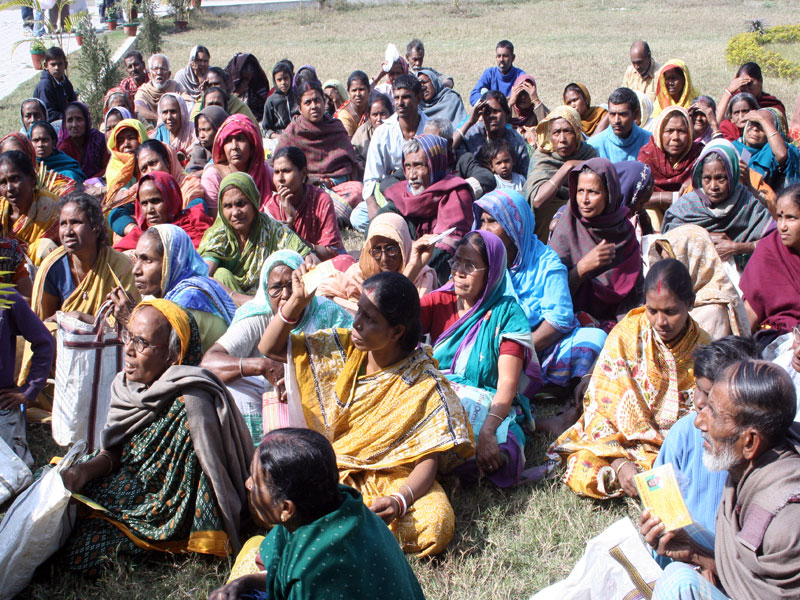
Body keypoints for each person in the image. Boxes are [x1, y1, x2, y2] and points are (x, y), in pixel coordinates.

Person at [259, 270, 474, 556]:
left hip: (398, 478)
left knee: (435, 524)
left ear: (397, 331)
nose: (357, 322)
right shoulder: (345, 346)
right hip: (339, 473)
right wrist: (295, 302)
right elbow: (269, 347)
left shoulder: (423, 380)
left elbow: (428, 459)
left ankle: (333, 539)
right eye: (359, 311)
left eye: (370, 319)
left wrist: (399, 500)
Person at [58, 299, 254, 575]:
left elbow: (214, 477)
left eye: (141, 343)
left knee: (82, 553)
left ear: (173, 356)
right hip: (127, 489)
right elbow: (114, 452)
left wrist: (228, 532)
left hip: (166, 514)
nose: (127, 350)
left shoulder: (192, 401)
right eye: (128, 337)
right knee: (56, 499)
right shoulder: (126, 385)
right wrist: (83, 472)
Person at [550, 259, 710, 499]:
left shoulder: (704, 350)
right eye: (652, 310)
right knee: (584, 469)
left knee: (693, 473)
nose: (660, 322)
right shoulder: (627, 334)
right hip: (620, 443)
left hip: (673, 449)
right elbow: (600, 408)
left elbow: (704, 420)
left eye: (670, 312)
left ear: (690, 304)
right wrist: (619, 464)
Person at [642, 360, 800, 599]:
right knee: (672, 527)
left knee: (679, 582)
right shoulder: (748, 463)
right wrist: (695, 553)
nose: (699, 422)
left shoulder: (785, 518)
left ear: (749, 442)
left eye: (713, 413)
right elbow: (747, 576)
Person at [209, 429, 426, 600]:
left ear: (286, 509)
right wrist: (246, 582)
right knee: (254, 548)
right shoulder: (343, 503)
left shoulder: (310, 576)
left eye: (255, 482)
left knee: (251, 551)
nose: (248, 484)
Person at [420, 230, 541, 486]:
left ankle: (441, 469)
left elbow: (507, 384)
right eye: (456, 262)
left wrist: (487, 430)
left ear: (492, 272)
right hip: (441, 397)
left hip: (489, 403)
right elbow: (393, 315)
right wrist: (414, 265)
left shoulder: (507, 314)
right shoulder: (440, 301)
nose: (459, 272)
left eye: (470, 265)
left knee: (504, 450)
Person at [201, 250, 351, 443]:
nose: (286, 295)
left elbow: (356, 357)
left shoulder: (325, 312)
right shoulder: (258, 315)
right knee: (232, 386)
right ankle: (254, 451)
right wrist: (263, 366)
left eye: (291, 285)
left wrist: (300, 378)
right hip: (270, 397)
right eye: (276, 288)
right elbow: (209, 362)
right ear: (265, 290)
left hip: (323, 398)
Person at [475, 190, 607, 392]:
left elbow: (559, 319)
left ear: (513, 225)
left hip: (536, 347)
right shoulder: (480, 258)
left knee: (594, 341)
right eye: (482, 221)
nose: (484, 230)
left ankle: (538, 383)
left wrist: (514, 351)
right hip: (489, 345)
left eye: (492, 221)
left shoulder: (546, 262)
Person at [652, 336, 758, 546]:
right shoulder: (684, 430)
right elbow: (658, 495)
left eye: (709, 394)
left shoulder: (758, 442)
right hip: (683, 549)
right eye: (697, 388)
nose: (699, 402)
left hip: (737, 563)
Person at [549, 158, 644, 330]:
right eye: (580, 191)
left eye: (593, 192)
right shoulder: (567, 226)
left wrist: (624, 329)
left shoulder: (624, 232)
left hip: (618, 322)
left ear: (610, 193)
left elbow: (633, 294)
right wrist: (582, 268)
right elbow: (550, 292)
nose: (584, 199)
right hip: (569, 319)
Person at [112, 224, 236, 353]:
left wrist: (130, 320)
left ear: (171, 262)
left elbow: (160, 355)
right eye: (137, 259)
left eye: (147, 260)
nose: (135, 270)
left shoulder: (189, 300)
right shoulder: (156, 294)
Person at [662, 140, 775, 267]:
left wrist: (738, 248)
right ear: (700, 177)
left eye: (721, 178)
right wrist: (704, 238)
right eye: (707, 179)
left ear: (733, 175)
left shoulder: (746, 203)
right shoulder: (686, 207)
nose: (713, 186)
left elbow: (775, 241)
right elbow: (667, 244)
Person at [198, 172, 310, 297]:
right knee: (221, 275)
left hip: (269, 300)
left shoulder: (272, 230)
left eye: (241, 203)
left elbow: (305, 255)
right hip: (227, 305)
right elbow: (203, 275)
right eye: (228, 206)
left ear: (254, 202)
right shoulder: (218, 235)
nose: (235, 212)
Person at [382, 134, 474, 282]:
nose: (412, 175)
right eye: (407, 166)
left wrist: (414, 267)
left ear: (434, 165)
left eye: (419, 165)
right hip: (401, 267)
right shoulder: (404, 195)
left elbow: (446, 246)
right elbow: (379, 223)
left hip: (435, 273)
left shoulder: (456, 194)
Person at [647, 225, 749, 339]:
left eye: (673, 262)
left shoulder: (714, 310)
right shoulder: (661, 302)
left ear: (693, 262)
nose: (667, 271)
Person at [319, 212, 438, 305]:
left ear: (404, 246)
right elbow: (325, 290)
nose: (384, 259)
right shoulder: (363, 271)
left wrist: (411, 269)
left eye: (391, 250)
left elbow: (402, 317)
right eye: (376, 250)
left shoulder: (421, 277)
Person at [359, 74, 428, 222]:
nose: (400, 103)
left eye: (406, 97)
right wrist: (372, 206)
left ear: (419, 98)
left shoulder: (430, 129)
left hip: (423, 191)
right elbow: (371, 178)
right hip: (391, 193)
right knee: (358, 216)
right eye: (396, 98)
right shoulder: (383, 132)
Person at [0, 287, 55, 468]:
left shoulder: (6, 297)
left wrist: (29, 389)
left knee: (14, 477)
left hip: (3, 406)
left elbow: (44, 341)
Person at [526, 106, 598, 242]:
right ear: (549, 135)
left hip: (581, 219)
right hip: (545, 225)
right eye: (556, 133)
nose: (562, 139)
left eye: (567, 131)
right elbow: (538, 201)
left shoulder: (588, 153)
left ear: (577, 132)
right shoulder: (542, 156)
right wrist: (567, 167)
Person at [262, 146, 344, 260]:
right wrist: (289, 222)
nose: (280, 178)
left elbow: (332, 252)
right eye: (276, 172)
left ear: (303, 173)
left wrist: (293, 236)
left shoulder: (321, 201)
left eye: (286, 171)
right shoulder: (271, 208)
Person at [740, 184, 800, 337]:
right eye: (779, 217)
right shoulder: (769, 249)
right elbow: (750, 309)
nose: (782, 226)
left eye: (791, 218)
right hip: (779, 339)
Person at [275, 80, 359, 184]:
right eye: (308, 102)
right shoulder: (292, 132)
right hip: (303, 187)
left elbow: (349, 165)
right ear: (300, 109)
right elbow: (279, 166)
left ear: (324, 102)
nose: (314, 106)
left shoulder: (336, 128)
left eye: (317, 100)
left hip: (336, 184)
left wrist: (330, 182)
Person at [113, 171, 212, 252]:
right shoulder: (138, 235)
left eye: (156, 201)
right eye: (144, 204)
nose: (150, 210)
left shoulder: (193, 224)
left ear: (171, 199)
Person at [636, 106, 704, 222]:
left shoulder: (699, 154)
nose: (675, 138)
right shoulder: (648, 156)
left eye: (682, 131)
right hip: (655, 212)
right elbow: (637, 197)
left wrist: (694, 180)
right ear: (659, 133)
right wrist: (672, 197)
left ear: (690, 133)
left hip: (690, 213)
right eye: (669, 131)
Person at [0, 150, 61, 266]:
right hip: (6, 275)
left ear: (32, 178)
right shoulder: (1, 209)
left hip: (46, 273)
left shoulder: (53, 208)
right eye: (3, 182)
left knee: (45, 247)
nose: (9, 188)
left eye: (15, 179)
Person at [202, 114, 271, 215]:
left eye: (240, 139)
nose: (234, 147)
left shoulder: (263, 171)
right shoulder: (213, 176)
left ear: (252, 146)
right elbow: (216, 221)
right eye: (229, 141)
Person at [732, 107, 800, 192]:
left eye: (761, 126)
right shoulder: (734, 146)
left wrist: (762, 119)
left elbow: (781, 154)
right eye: (753, 123)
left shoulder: (775, 151)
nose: (755, 129)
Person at [103, 119, 150, 230]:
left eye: (131, 138)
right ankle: (134, 232)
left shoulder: (152, 157)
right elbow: (117, 198)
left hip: (153, 203)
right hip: (128, 210)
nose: (126, 144)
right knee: (116, 212)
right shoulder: (114, 166)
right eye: (120, 141)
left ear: (141, 138)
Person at [587, 87, 652, 162]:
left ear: (635, 114)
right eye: (612, 114)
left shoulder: (649, 142)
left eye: (623, 114)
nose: (616, 120)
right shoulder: (595, 145)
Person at [716, 62, 786, 126]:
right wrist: (728, 91)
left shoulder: (772, 104)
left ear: (760, 81)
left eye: (749, 83)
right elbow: (716, 122)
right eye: (742, 84)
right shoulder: (735, 100)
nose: (746, 88)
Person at [190, 67, 259, 127]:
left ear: (225, 85)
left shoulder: (237, 105)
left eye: (217, 84)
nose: (214, 88)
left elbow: (251, 128)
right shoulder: (201, 102)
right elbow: (194, 126)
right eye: (210, 85)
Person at [56, 101, 108, 180]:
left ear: (86, 121)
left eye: (79, 119)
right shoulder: (64, 149)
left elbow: (109, 166)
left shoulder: (98, 139)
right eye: (70, 120)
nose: (74, 125)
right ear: (64, 125)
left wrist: (92, 181)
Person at [134, 54, 190, 125]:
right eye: (155, 69)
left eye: (163, 69)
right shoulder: (144, 91)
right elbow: (138, 109)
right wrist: (160, 119)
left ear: (169, 74)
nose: (159, 73)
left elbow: (189, 104)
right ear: (149, 74)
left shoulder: (176, 87)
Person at [469, 40, 525, 105]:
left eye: (505, 56)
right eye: (499, 56)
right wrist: (487, 104)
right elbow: (474, 95)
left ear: (513, 58)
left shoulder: (520, 76)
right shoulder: (489, 73)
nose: (501, 59)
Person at [33, 46, 77, 124]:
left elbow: (73, 102)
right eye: (53, 65)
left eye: (60, 64)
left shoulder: (64, 81)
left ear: (65, 65)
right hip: (49, 125)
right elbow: (49, 114)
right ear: (46, 66)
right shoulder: (45, 85)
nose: (57, 68)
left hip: (65, 119)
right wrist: (69, 118)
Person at [351, 91, 393, 168]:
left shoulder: (396, 130)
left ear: (390, 114)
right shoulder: (362, 133)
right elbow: (354, 156)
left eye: (383, 114)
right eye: (375, 115)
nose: (379, 119)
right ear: (369, 117)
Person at [225, 52, 270, 121]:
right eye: (244, 79)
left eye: (251, 72)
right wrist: (237, 93)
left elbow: (263, 111)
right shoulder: (226, 84)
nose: (247, 82)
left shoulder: (258, 85)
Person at [153, 93, 197, 162]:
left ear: (182, 112)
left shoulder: (193, 130)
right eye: (165, 112)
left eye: (173, 112)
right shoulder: (161, 131)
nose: (169, 117)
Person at [507, 74, 549, 145]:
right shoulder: (504, 104)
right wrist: (510, 103)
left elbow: (548, 129)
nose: (523, 97)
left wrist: (536, 101)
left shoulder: (538, 108)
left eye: (527, 93)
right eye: (520, 93)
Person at [187, 105, 229, 173]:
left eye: (206, 130)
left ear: (219, 129)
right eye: (199, 130)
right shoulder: (199, 149)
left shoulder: (229, 148)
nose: (201, 135)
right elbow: (192, 175)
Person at [261, 60, 296, 140]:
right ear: (274, 81)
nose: (283, 82)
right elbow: (265, 129)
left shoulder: (297, 97)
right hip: (279, 138)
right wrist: (280, 137)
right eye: (279, 80)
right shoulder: (271, 101)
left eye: (286, 78)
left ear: (291, 77)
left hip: (298, 136)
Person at [333, 70, 370, 138]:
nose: (358, 94)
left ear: (369, 90)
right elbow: (348, 144)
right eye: (354, 90)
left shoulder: (373, 107)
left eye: (361, 89)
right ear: (348, 92)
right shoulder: (345, 116)